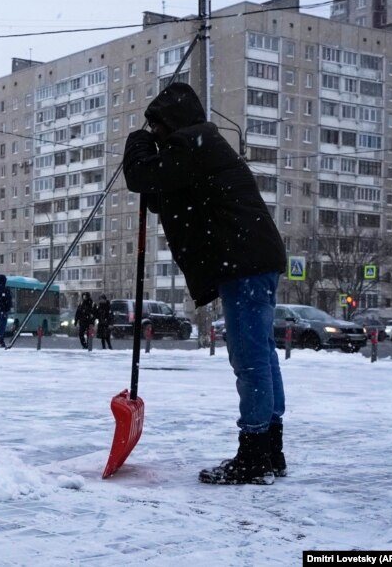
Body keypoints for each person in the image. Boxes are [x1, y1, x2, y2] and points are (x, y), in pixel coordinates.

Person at [123, 82, 287, 485]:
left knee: (249, 360)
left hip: (245, 264)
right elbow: (166, 192)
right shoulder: (201, 147)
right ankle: (270, 452)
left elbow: (141, 175)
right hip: (254, 260)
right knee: (261, 356)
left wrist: (136, 141)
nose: (156, 136)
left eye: (157, 128)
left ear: (170, 123)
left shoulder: (195, 143)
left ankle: (253, 456)